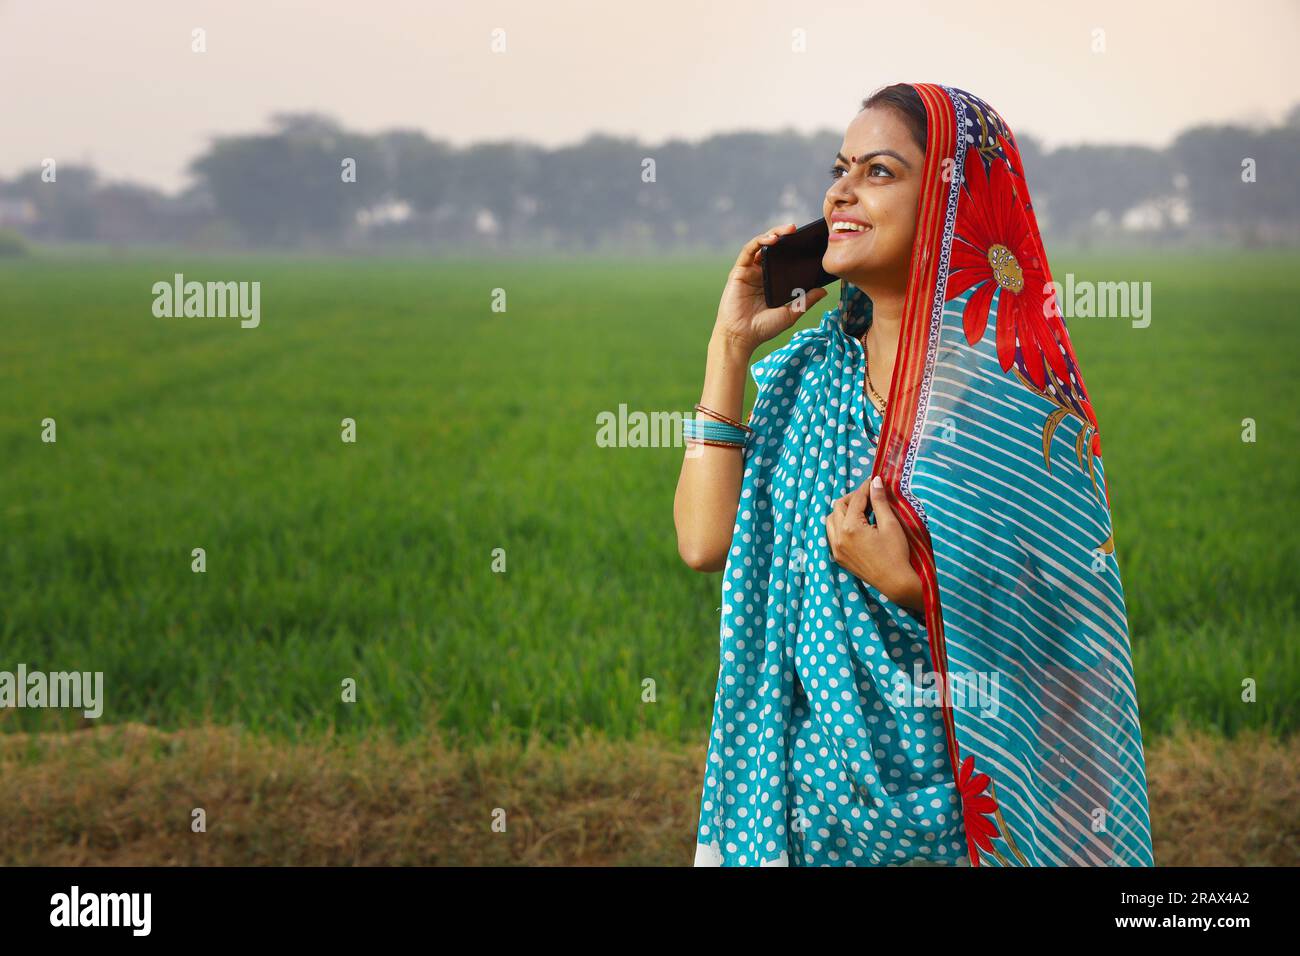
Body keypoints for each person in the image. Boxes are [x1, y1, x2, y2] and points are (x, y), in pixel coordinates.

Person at [674, 82, 1154, 867]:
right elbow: (703, 540)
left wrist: (911, 587)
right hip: (795, 815)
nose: (840, 191)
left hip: (960, 816)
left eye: (879, 172)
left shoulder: (1015, 407)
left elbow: (1066, 629)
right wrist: (728, 349)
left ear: (949, 202)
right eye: (839, 169)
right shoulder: (806, 378)